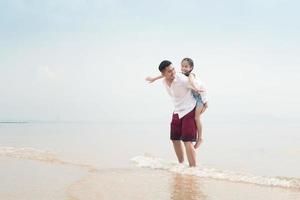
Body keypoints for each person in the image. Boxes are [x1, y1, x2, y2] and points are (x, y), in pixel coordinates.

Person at [146, 58, 208, 149]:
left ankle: (200, 138)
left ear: (191, 68)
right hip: (195, 96)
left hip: (200, 98)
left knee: (197, 118)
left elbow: (192, 83)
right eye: (182, 66)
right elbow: (163, 75)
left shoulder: (191, 75)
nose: (183, 68)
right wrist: (154, 79)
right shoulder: (180, 75)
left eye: (186, 66)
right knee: (195, 118)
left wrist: (204, 99)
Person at [147, 60, 198, 167]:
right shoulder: (164, 81)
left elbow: (196, 84)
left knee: (187, 140)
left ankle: (193, 169)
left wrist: (204, 102)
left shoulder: (182, 79)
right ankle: (181, 165)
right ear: (164, 74)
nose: (173, 72)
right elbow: (162, 76)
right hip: (177, 111)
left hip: (189, 110)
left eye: (173, 69)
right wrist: (153, 79)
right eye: (170, 71)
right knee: (174, 138)